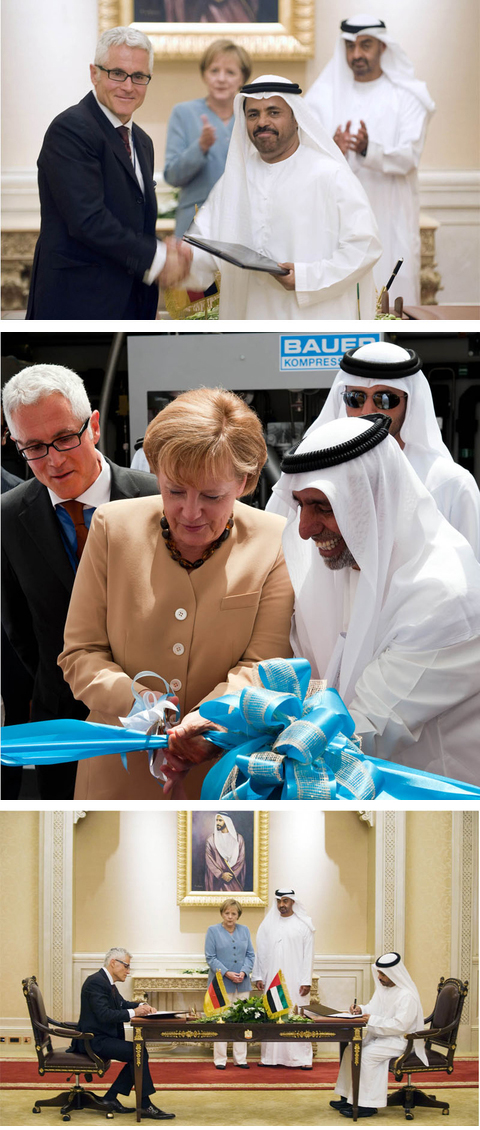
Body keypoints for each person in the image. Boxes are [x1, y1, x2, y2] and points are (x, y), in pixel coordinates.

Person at [58, 388, 293, 801]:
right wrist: (138, 701)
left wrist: (204, 721)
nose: (190, 512)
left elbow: (263, 664)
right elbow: (80, 652)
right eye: (175, 490)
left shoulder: (276, 540)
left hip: (221, 773)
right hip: (116, 773)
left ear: (245, 481)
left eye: (212, 496)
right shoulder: (113, 527)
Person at [270, 414, 480, 785]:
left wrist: (230, 745)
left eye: (323, 507)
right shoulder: (342, 565)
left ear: (373, 503)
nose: (304, 529)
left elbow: (364, 730)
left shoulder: (442, 597)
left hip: (436, 804)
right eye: (300, 505)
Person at [1, 365, 159, 800]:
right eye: (32, 447)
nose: (52, 460)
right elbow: (19, 629)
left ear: (92, 426)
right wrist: (59, 687)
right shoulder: (8, 517)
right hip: (62, 725)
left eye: (64, 438)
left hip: (154, 713)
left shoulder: (157, 498)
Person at [180, 75, 381, 319]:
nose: (262, 122)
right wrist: (180, 260)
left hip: (316, 329)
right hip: (251, 320)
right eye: (253, 114)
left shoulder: (330, 174)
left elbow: (365, 246)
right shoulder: (234, 180)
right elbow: (206, 243)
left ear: (296, 118)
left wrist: (306, 277)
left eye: (273, 112)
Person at [26, 26, 191, 320]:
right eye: (118, 73)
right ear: (95, 73)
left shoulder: (142, 141)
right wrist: (157, 258)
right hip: (77, 307)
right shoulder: (71, 129)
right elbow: (87, 220)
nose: (128, 86)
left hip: (131, 303)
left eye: (139, 77)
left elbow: (134, 220)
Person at [269, 341, 480, 557]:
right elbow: (276, 552)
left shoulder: (451, 484)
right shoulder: (306, 477)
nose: (367, 411)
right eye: (355, 398)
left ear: (411, 402)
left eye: (385, 400)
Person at [304, 14, 435, 305]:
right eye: (350, 46)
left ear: (383, 48)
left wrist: (367, 149)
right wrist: (333, 149)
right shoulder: (322, 97)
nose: (356, 54)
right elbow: (302, 161)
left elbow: (409, 157)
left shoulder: (407, 97)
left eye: (365, 45)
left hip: (390, 216)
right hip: (336, 222)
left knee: (392, 298)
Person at [74, 947, 174, 1119]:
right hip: (93, 1041)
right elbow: (104, 1015)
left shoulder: (106, 982)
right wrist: (136, 1012)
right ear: (113, 963)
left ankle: (111, 1098)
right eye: (126, 966)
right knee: (138, 1052)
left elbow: (121, 1004)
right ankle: (144, 1104)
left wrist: (140, 1006)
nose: (128, 971)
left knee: (138, 1052)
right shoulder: (96, 982)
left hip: (101, 1037)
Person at [164, 40, 251, 237]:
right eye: (214, 71)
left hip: (242, 224)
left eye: (230, 72)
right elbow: (172, 176)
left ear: (242, 78)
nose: (221, 79)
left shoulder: (252, 116)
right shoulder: (183, 113)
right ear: (204, 74)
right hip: (194, 224)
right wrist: (200, 147)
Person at [331, 952, 427, 1119]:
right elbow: (373, 1007)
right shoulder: (384, 989)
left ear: (393, 974)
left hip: (400, 1041)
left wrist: (372, 1019)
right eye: (379, 973)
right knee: (350, 1051)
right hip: (382, 1037)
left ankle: (367, 1105)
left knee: (365, 1056)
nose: (379, 977)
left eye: (383, 974)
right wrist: (361, 1009)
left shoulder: (407, 996)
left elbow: (400, 1025)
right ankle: (348, 1098)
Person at [252, 888, 315, 1068]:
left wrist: (306, 980)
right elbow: (260, 952)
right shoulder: (268, 924)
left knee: (297, 1015)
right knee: (274, 1013)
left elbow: (308, 955)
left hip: (296, 980)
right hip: (272, 978)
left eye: (285, 901)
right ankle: (271, 1058)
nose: (282, 905)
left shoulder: (304, 925)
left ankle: (302, 1059)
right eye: (279, 901)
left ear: (293, 902)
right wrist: (258, 975)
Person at [205, 898, 255, 1068]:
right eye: (227, 913)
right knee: (221, 1020)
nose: (230, 917)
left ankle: (240, 1059)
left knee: (241, 1020)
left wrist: (243, 972)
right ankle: (220, 1059)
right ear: (222, 914)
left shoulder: (245, 930)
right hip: (220, 983)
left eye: (233, 913)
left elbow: (250, 955)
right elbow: (210, 957)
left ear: (238, 915)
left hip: (242, 982)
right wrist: (227, 973)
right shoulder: (213, 931)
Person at [205, 813, 247, 891]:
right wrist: (221, 874)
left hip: (234, 878)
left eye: (220, 820)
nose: (217, 822)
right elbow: (209, 859)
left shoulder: (239, 839)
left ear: (227, 821)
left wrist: (232, 874)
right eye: (216, 820)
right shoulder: (211, 840)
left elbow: (241, 858)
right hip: (217, 880)